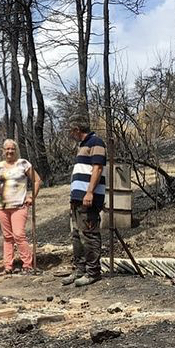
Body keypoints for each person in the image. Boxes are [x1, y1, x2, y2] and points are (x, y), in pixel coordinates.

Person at [63, 119, 107, 287]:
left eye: (71, 130)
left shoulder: (96, 142)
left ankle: (93, 272)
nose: (70, 134)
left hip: (88, 198)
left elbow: (97, 168)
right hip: (77, 199)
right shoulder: (82, 145)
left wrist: (89, 192)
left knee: (89, 234)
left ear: (76, 128)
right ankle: (80, 270)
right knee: (77, 235)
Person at [0, 139, 42, 274]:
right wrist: (0, 193)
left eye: (12, 149)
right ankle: (8, 266)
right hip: (2, 207)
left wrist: (32, 196)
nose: (9, 151)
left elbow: (37, 180)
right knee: (7, 237)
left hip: (19, 205)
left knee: (19, 235)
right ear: (3, 151)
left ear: (16, 150)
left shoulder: (23, 164)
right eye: (7, 149)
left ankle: (27, 264)